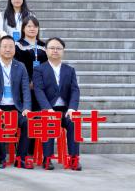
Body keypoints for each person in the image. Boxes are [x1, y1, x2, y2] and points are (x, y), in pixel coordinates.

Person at [32, 37, 81, 171]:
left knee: (74, 121)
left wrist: (72, 108)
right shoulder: (39, 70)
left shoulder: (69, 70)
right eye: (52, 48)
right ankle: (47, 158)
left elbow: (75, 90)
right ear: (46, 50)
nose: (55, 51)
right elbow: (38, 90)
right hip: (47, 109)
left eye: (58, 48)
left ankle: (74, 158)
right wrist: (48, 109)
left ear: (63, 51)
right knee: (48, 120)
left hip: (65, 110)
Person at [0, 36, 33, 168]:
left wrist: (26, 108)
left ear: (14, 50)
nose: (8, 49)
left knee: (28, 122)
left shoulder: (21, 67)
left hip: (16, 108)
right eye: (5, 46)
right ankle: (1, 158)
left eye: (11, 47)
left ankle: (21, 158)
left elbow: (25, 89)